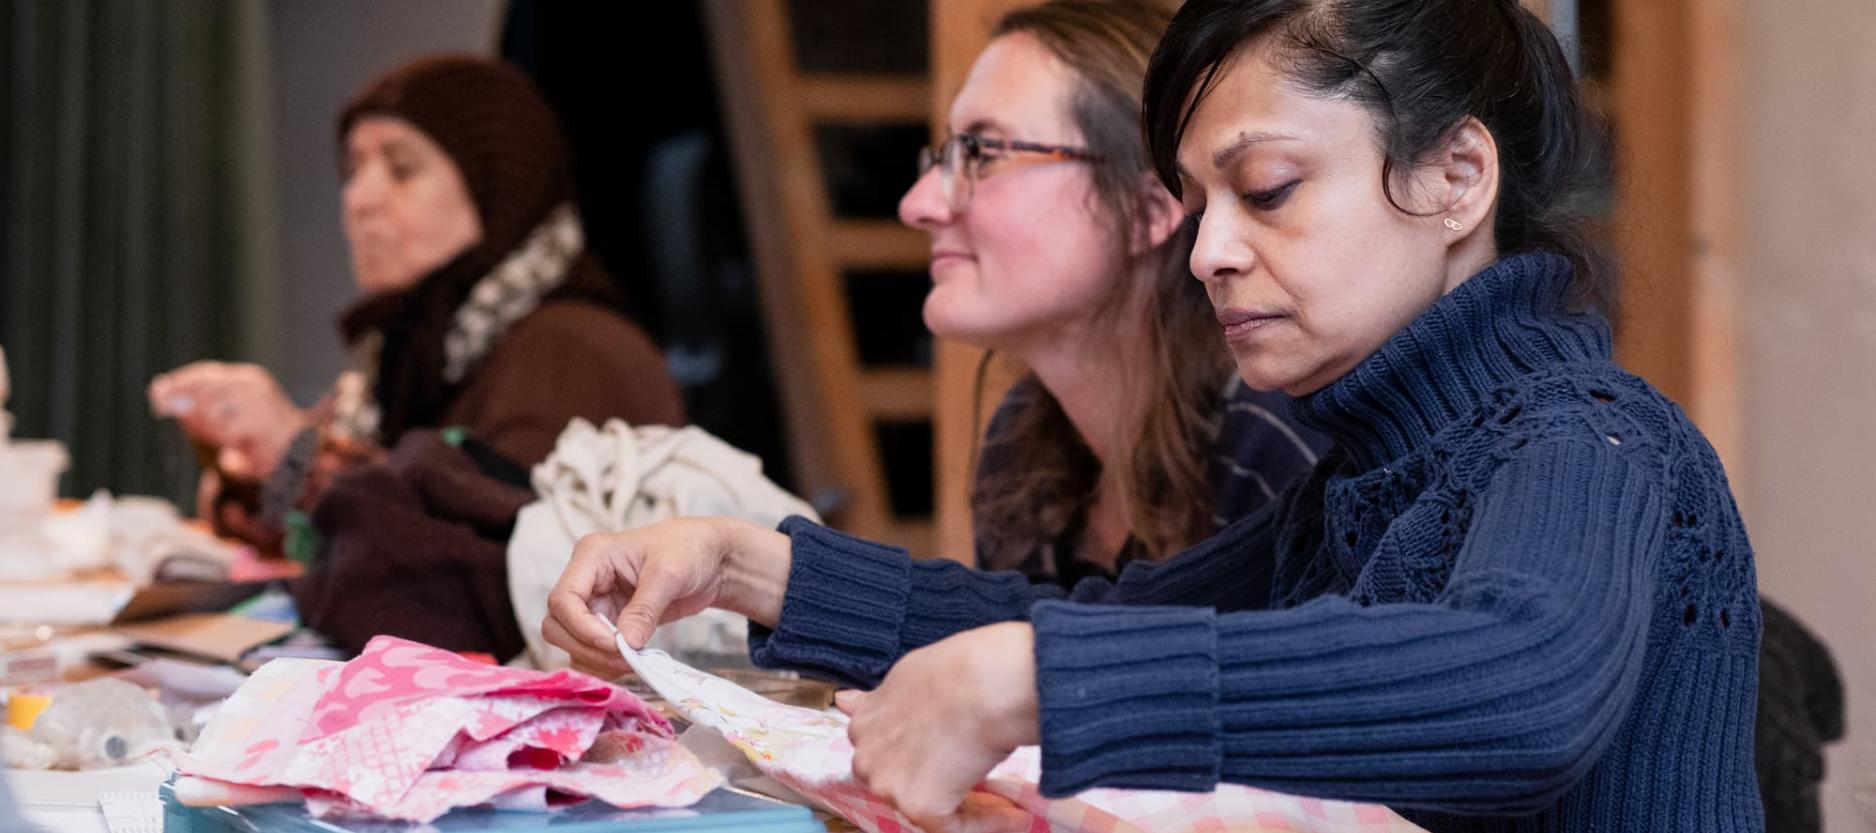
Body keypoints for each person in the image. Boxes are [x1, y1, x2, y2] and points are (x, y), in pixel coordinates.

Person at [543, 1, 1762, 831]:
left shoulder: (1591, 434)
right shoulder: (1354, 482)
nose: (1209, 251)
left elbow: (1519, 687)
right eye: (1196, 200)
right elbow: (1102, 621)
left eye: (1266, 189)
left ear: (1455, 177)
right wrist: (752, 566)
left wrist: (1039, 680)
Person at [149, 55, 684, 548]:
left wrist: (299, 455)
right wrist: (247, 462)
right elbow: (320, 532)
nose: (358, 200)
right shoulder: (410, 350)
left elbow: (480, 561)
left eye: (401, 169)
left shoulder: (570, 346)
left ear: (497, 188)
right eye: (352, 171)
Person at [902, 0, 1324, 586]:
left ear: (1147, 211)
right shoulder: (1023, 450)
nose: (919, 205)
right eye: (947, 156)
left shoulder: (1274, 437)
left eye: (984, 153)